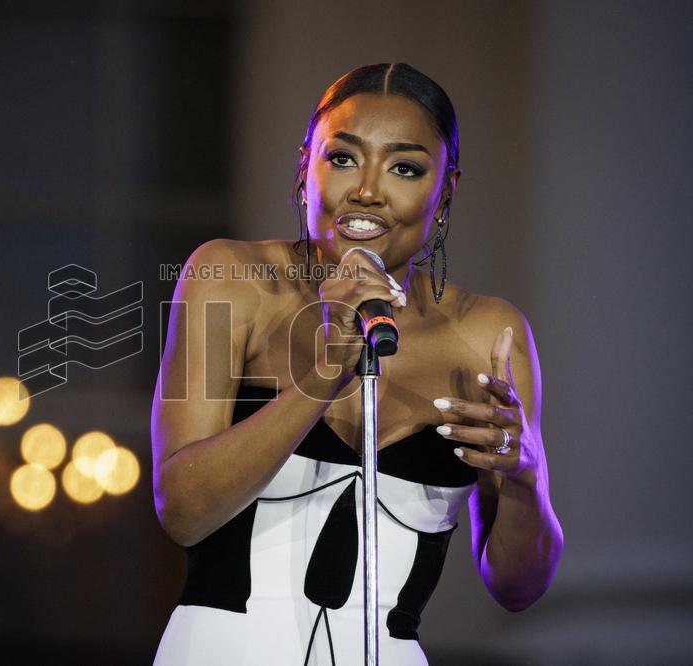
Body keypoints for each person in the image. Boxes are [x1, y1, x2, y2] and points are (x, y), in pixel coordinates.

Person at [150, 63, 563, 665]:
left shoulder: (488, 334)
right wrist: (322, 374)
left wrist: (527, 478)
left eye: (405, 168)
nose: (367, 190)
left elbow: (518, 588)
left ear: (443, 192)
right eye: (342, 158)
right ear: (304, 168)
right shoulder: (228, 276)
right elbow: (182, 510)